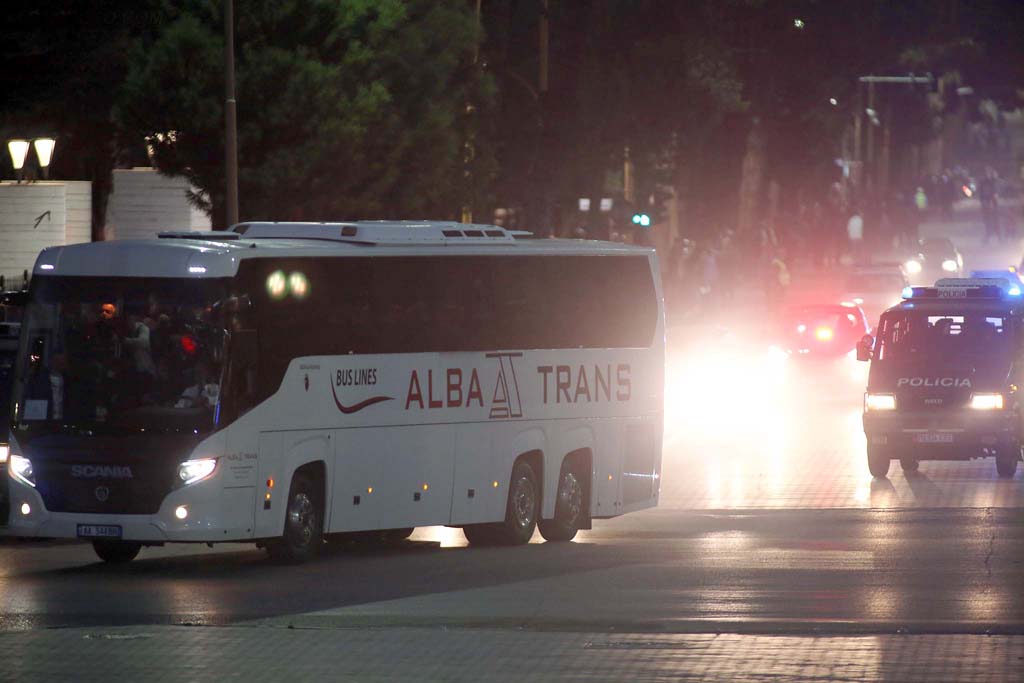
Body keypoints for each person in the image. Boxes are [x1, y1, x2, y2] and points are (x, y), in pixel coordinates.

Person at [977, 167, 1001, 243]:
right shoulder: (987, 182)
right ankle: (991, 236)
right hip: (988, 203)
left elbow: (994, 192)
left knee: (993, 221)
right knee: (989, 221)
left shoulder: (992, 182)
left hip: (991, 203)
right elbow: (983, 193)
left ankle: (997, 237)